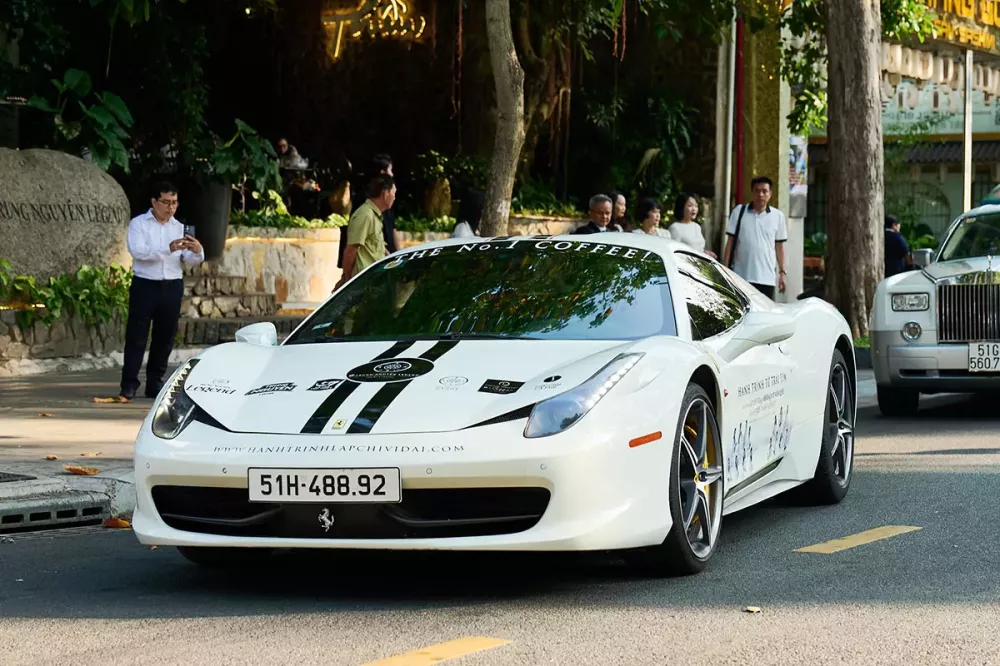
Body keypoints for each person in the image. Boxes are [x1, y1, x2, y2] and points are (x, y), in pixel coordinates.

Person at [119, 181, 204, 400]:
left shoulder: (179, 227)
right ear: (154, 202)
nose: (171, 207)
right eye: (166, 202)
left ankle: (155, 383)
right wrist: (169, 248)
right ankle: (129, 384)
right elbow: (139, 252)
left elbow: (190, 260)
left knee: (165, 337)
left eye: (174, 203)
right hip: (145, 284)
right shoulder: (139, 224)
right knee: (137, 336)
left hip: (172, 285)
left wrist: (197, 251)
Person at [722, 176, 788, 300]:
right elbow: (730, 243)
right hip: (741, 276)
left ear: (770, 193)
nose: (760, 194)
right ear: (752, 192)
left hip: (766, 278)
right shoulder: (739, 212)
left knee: (764, 315)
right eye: (757, 191)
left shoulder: (778, 216)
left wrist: (782, 273)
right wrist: (725, 270)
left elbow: (779, 247)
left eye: (764, 191)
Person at [335, 174, 396, 290]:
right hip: (364, 284)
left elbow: (377, 247)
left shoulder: (375, 215)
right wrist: (347, 280)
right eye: (394, 192)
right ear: (385, 193)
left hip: (375, 282)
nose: (394, 197)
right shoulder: (365, 215)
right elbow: (351, 249)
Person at [338, 154, 400, 268]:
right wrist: (347, 277)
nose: (392, 174)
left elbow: (389, 232)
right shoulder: (365, 210)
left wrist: (396, 258)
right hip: (366, 272)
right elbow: (352, 248)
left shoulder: (382, 209)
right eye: (390, 170)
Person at [668, 192, 715, 258]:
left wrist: (705, 253)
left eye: (696, 206)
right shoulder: (675, 228)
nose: (694, 209)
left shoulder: (697, 226)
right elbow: (673, 253)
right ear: (681, 207)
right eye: (690, 205)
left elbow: (697, 249)